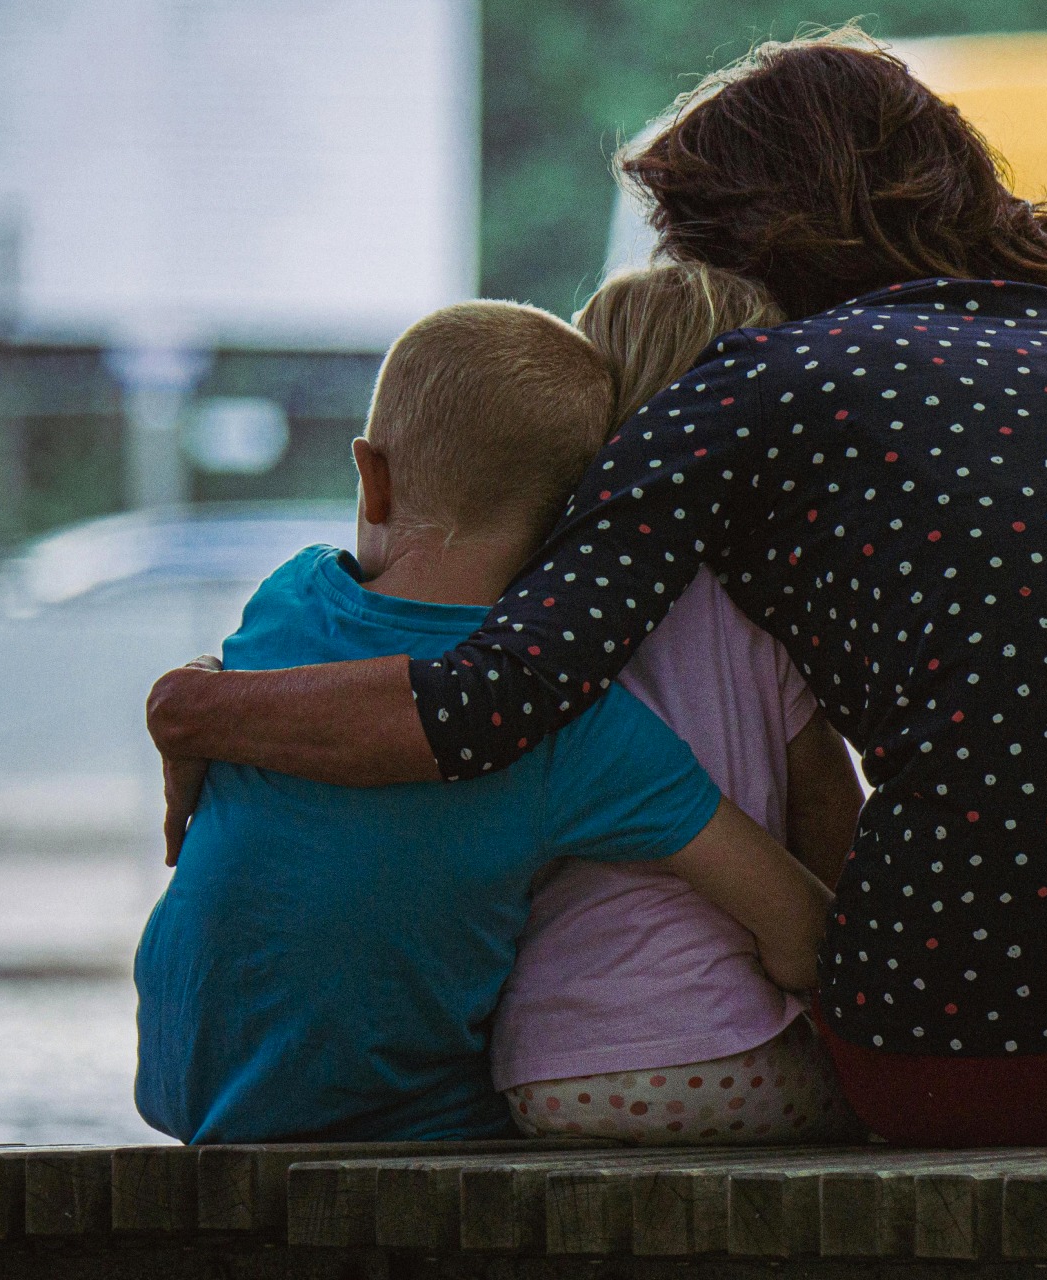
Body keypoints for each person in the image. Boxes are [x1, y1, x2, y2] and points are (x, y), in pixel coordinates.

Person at [146, 28, 1047, 1146]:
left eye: (691, 242)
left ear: (760, 237)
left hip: (956, 1051)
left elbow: (496, 700)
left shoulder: (751, 388)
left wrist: (200, 708)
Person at [134, 301, 829, 1143]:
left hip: (177, 1082)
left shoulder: (289, 595)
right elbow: (798, 926)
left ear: (372, 477)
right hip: (396, 1125)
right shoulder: (570, 726)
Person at [494, 263, 862, 1143]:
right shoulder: (765, 602)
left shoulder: (534, 600)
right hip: (721, 1055)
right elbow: (841, 854)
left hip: (535, 1066)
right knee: (894, 1102)